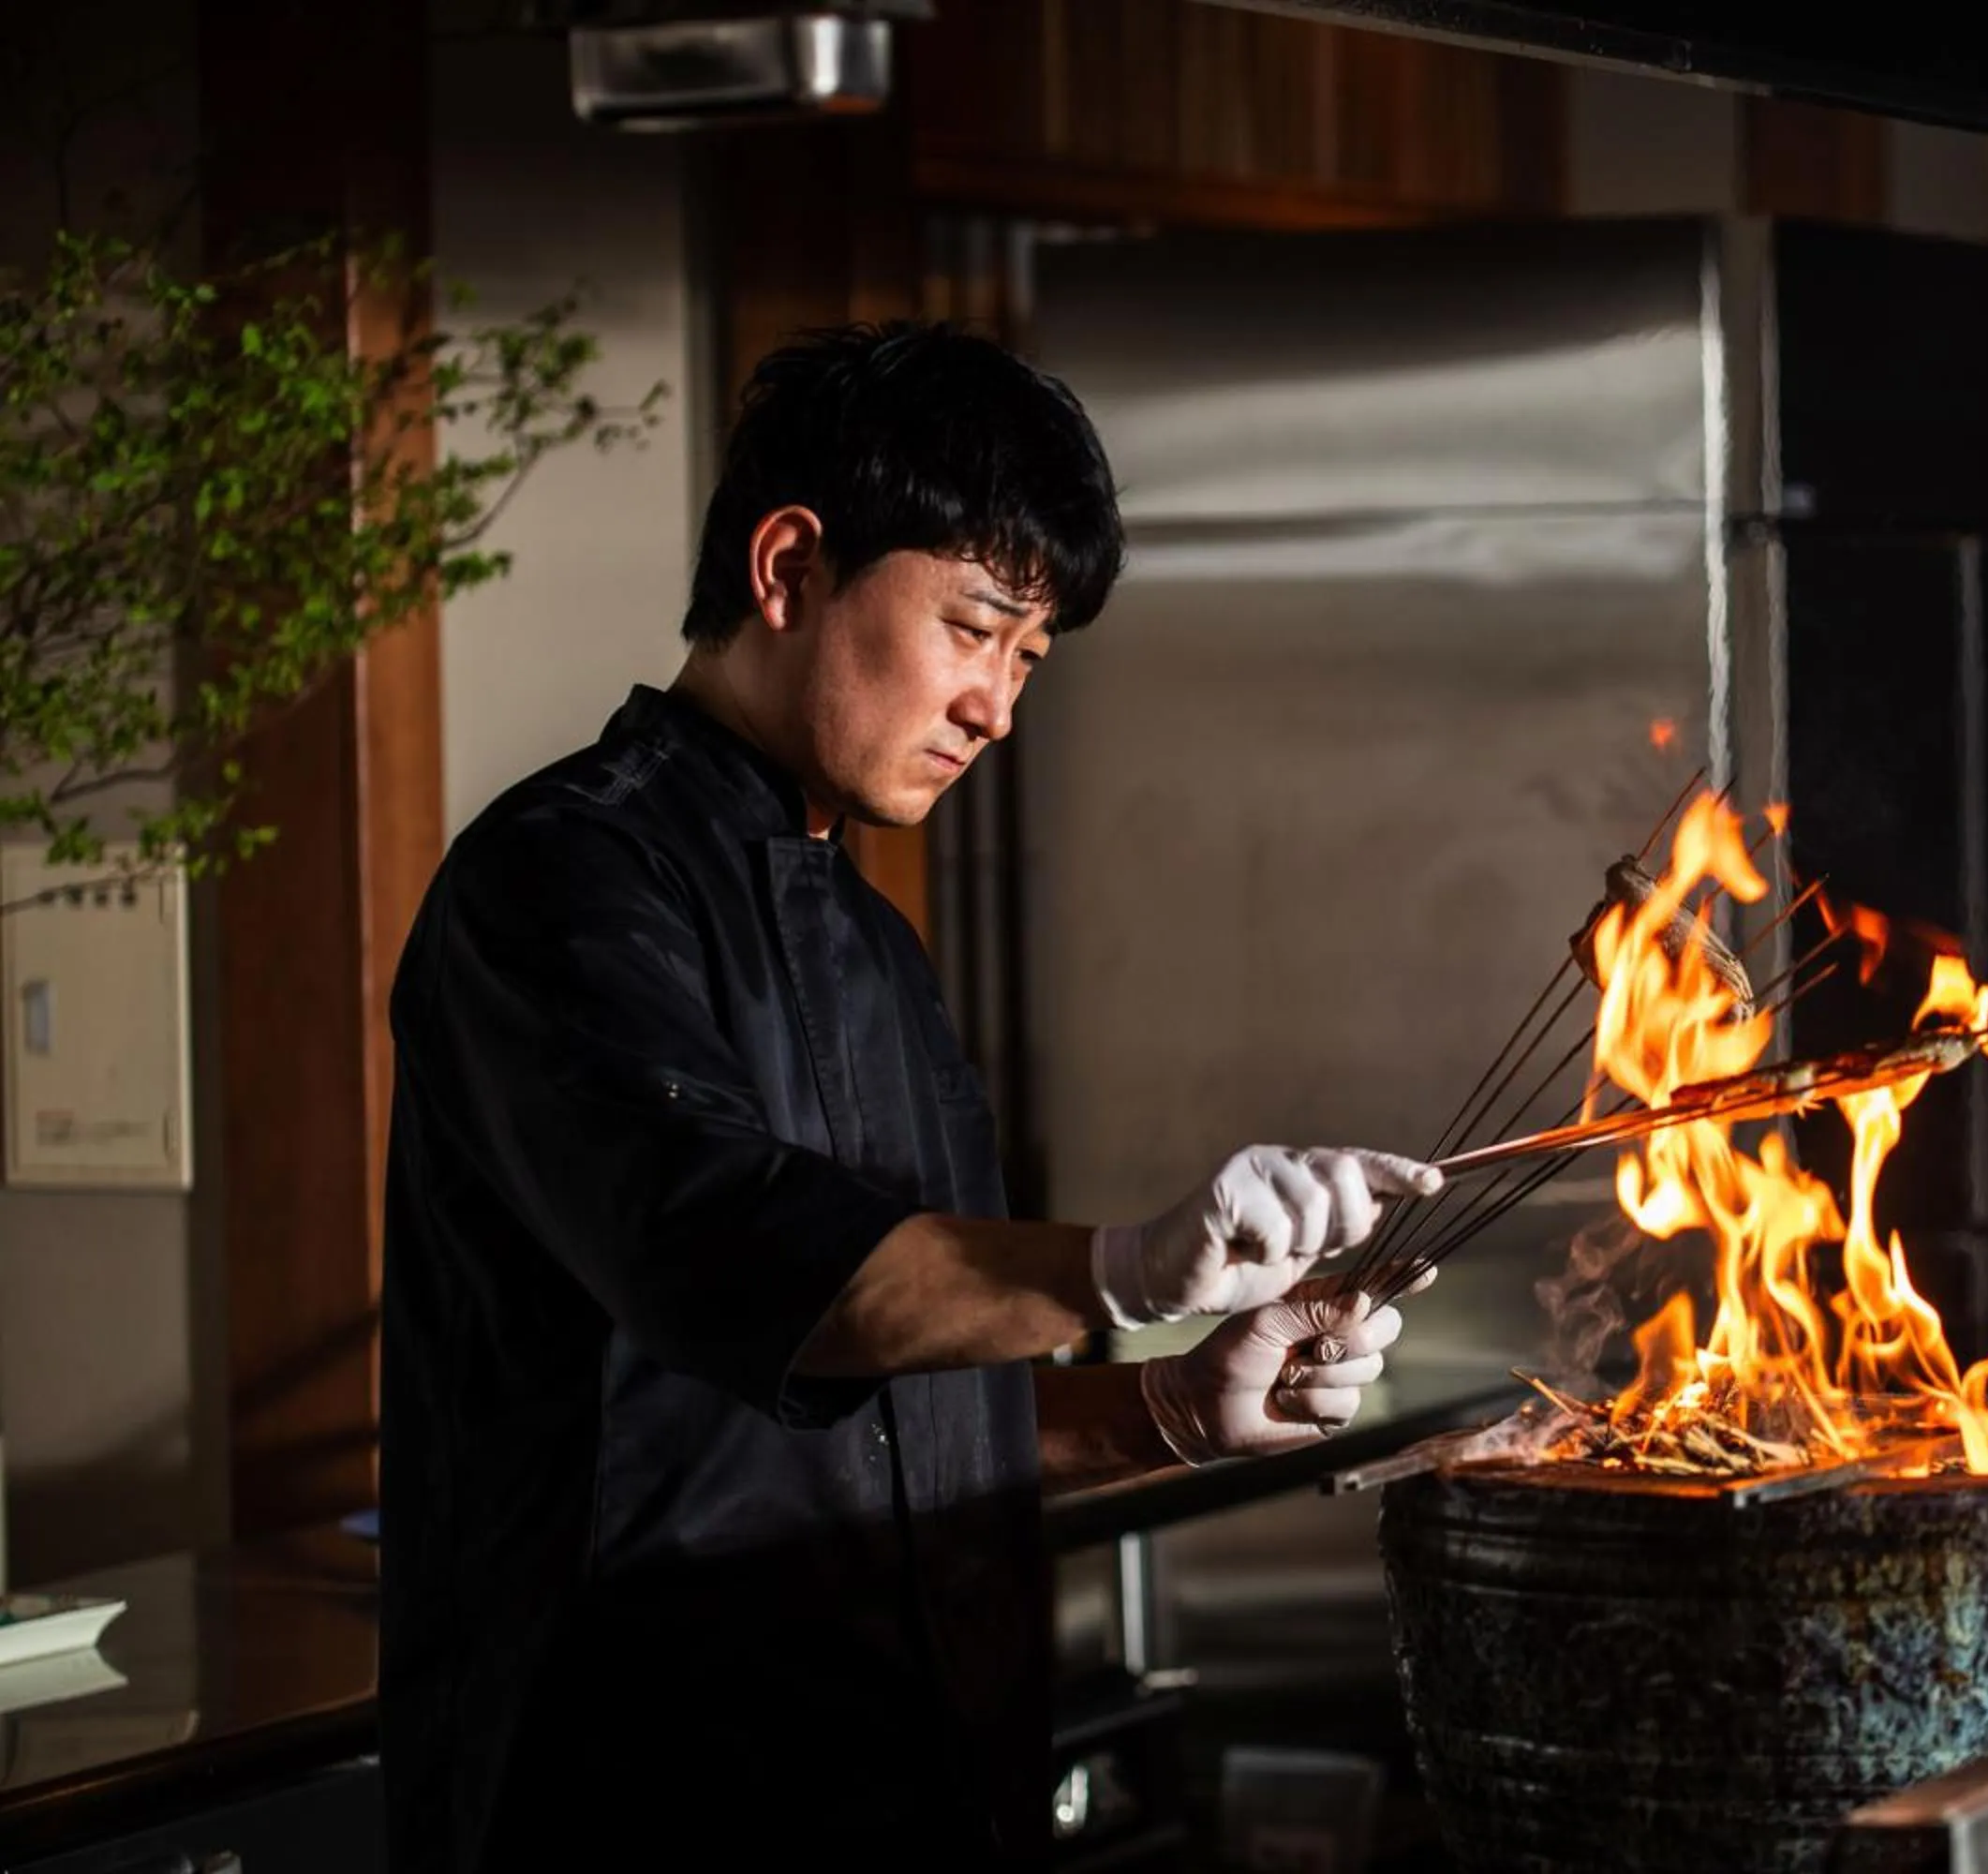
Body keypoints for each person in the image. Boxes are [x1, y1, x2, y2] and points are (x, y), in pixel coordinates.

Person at [379, 321, 1437, 1872]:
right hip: (639, 1801)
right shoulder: (556, 883)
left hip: (927, 1794)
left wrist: (1173, 1403)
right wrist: (1123, 1263)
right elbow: (741, 1261)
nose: (997, 706)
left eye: (1028, 658)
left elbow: (914, 1431)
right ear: (792, 566)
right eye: (973, 627)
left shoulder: (876, 945)